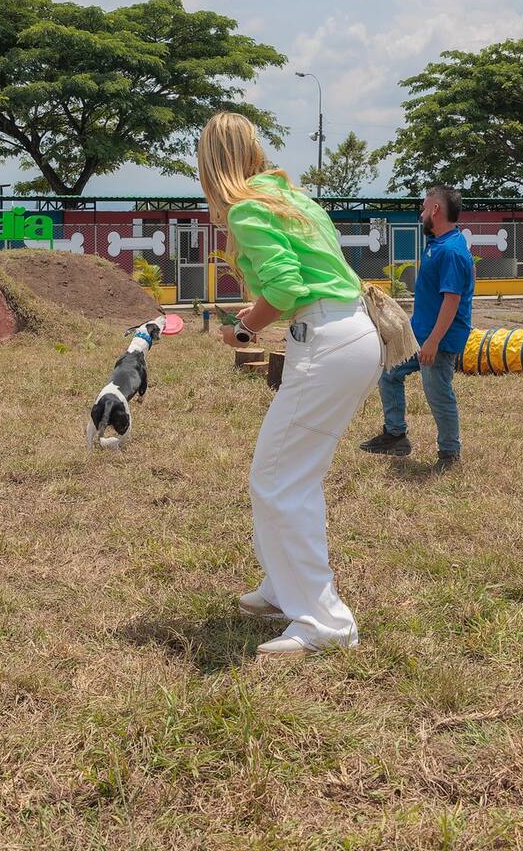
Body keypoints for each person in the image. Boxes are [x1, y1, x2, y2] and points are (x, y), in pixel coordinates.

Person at [198, 111, 383, 660]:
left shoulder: (249, 209)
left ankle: (325, 622)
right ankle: (284, 589)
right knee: (289, 477)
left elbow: (284, 286)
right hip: (351, 333)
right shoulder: (290, 198)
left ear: (210, 162)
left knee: (278, 480)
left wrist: (244, 326)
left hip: (326, 341)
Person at [360, 185, 473, 470]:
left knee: (438, 394)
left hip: (439, 340)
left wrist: (434, 342)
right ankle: (395, 435)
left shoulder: (452, 252)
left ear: (435, 210)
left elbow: (452, 301)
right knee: (389, 373)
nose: (421, 213)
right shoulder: (437, 244)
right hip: (418, 335)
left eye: (424, 207)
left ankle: (450, 454)